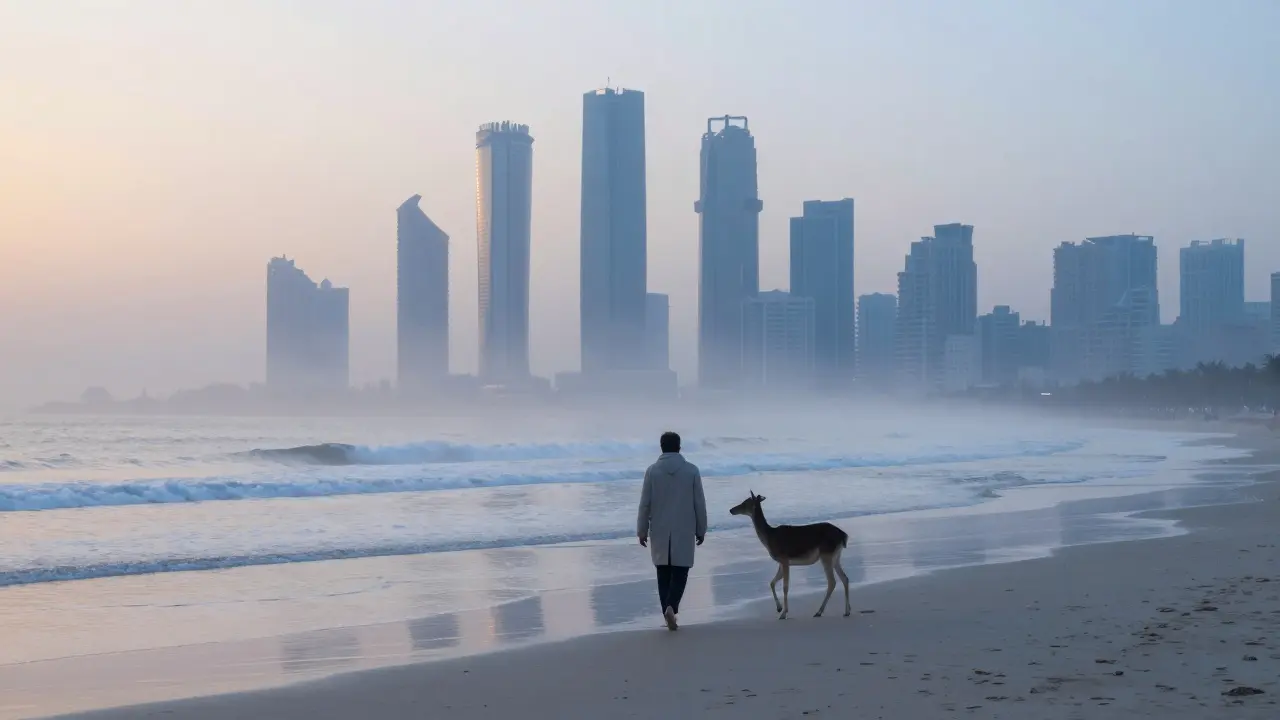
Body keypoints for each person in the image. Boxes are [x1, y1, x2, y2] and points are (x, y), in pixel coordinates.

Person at [636, 431, 708, 630]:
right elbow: (699, 504)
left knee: (663, 572)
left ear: (661, 447)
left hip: (659, 528)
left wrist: (641, 530)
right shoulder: (692, 471)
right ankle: (672, 607)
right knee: (680, 570)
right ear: (679, 447)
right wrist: (701, 529)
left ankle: (667, 612)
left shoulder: (652, 471)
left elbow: (645, 504)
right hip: (684, 528)